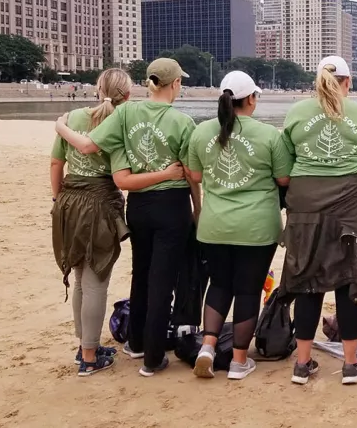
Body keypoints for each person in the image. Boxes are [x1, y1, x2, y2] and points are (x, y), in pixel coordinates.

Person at [55, 58, 200, 377]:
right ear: (175, 84)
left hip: (138, 205)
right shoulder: (183, 121)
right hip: (172, 204)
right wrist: (197, 210)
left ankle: (136, 343)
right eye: (180, 83)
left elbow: (89, 145)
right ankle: (152, 359)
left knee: (142, 273)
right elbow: (191, 173)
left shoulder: (125, 112)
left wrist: (62, 127)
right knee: (163, 281)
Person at [280, 56, 357, 386]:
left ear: (317, 81)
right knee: (350, 283)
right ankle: (351, 366)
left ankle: (303, 363)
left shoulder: (297, 113)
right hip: (352, 205)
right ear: (348, 82)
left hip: (306, 205)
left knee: (308, 281)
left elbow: (284, 168)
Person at [186, 71, 292, 380]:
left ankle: (207, 346)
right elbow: (284, 179)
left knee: (219, 285)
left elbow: (194, 175)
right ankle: (239, 361)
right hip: (257, 227)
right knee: (247, 290)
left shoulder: (201, 131)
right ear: (250, 99)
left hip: (214, 225)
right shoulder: (269, 134)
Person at [50, 68, 134, 376]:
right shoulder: (122, 122)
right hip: (100, 203)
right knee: (97, 278)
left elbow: (57, 162)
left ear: (98, 88)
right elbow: (121, 174)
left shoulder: (72, 117)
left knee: (81, 274)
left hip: (69, 200)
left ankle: (83, 346)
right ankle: (88, 356)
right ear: (128, 94)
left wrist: (57, 199)